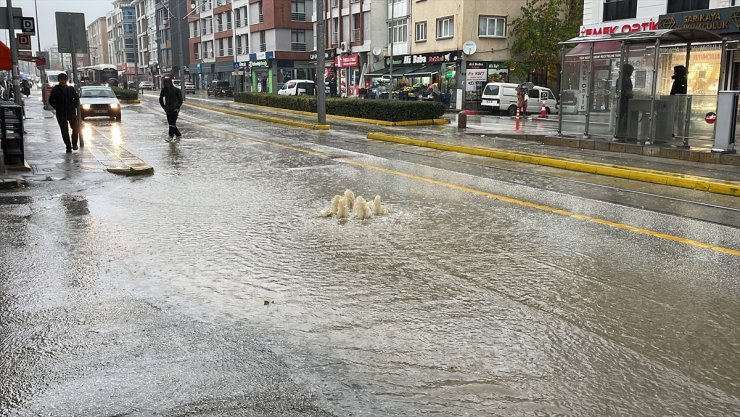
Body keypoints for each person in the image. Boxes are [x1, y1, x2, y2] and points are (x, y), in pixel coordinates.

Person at [48, 72, 80, 153]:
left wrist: (74, 106)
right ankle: (68, 146)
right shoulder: (55, 89)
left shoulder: (70, 89)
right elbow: (51, 101)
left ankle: (74, 144)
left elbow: (76, 98)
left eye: (65, 80)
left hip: (71, 112)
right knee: (64, 130)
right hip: (61, 113)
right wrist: (58, 107)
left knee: (76, 128)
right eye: (61, 80)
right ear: (59, 80)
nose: (63, 81)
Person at [159, 76, 183, 142]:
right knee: (171, 123)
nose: (167, 85)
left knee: (172, 123)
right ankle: (178, 134)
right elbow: (160, 99)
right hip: (168, 109)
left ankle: (170, 136)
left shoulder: (176, 90)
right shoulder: (164, 90)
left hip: (175, 109)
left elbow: (180, 100)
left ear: (170, 83)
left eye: (168, 83)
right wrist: (164, 107)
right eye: (165, 83)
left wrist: (177, 107)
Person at [617, 63, 634, 138]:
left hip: (628, 101)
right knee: (620, 116)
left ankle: (625, 131)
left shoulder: (629, 80)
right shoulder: (620, 80)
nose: (631, 73)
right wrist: (627, 93)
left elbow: (630, 89)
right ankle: (619, 132)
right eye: (631, 71)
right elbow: (620, 91)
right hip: (622, 101)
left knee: (627, 116)